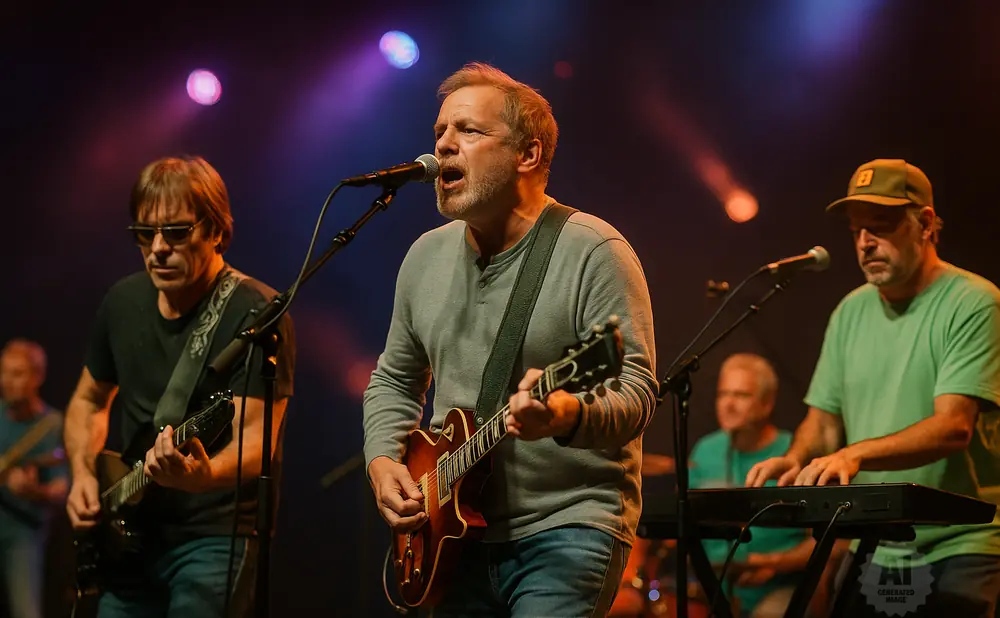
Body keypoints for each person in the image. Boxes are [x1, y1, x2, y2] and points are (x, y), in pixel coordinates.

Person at [362, 62, 658, 617]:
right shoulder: (424, 257)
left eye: (469, 132)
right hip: (455, 533)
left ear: (529, 154)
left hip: (567, 524)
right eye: (440, 133)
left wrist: (567, 414)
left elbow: (637, 393)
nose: (444, 147)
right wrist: (382, 460)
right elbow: (395, 378)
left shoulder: (595, 251)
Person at [745, 159, 1000, 616]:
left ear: (924, 225)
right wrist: (797, 456)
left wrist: (854, 453)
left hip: (961, 541)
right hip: (876, 543)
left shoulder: (974, 301)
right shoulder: (850, 311)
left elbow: (953, 427)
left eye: (879, 227)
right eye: (857, 230)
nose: (865, 243)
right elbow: (822, 423)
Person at [63, 156, 295, 617]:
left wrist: (202, 476)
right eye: (145, 234)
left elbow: (256, 439)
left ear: (215, 230)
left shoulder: (257, 312)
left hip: (213, 535)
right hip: (129, 533)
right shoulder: (123, 301)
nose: (157, 249)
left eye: (176, 232)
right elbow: (88, 401)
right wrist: (84, 476)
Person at [688, 353, 813, 618]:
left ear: (767, 404)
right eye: (723, 394)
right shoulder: (704, 451)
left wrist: (774, 564)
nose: (728, 404)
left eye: (741, 395)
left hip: (779, 587)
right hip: (712, 590)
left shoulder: (793, 455)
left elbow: (830, 544)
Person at [0, 339, 68, 618]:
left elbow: (61, 490)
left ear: (37, 377)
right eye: (4, 372)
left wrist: (33, 491)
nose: (7, 381)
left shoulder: (52, 426)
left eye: (17, 373)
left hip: (24, 534)